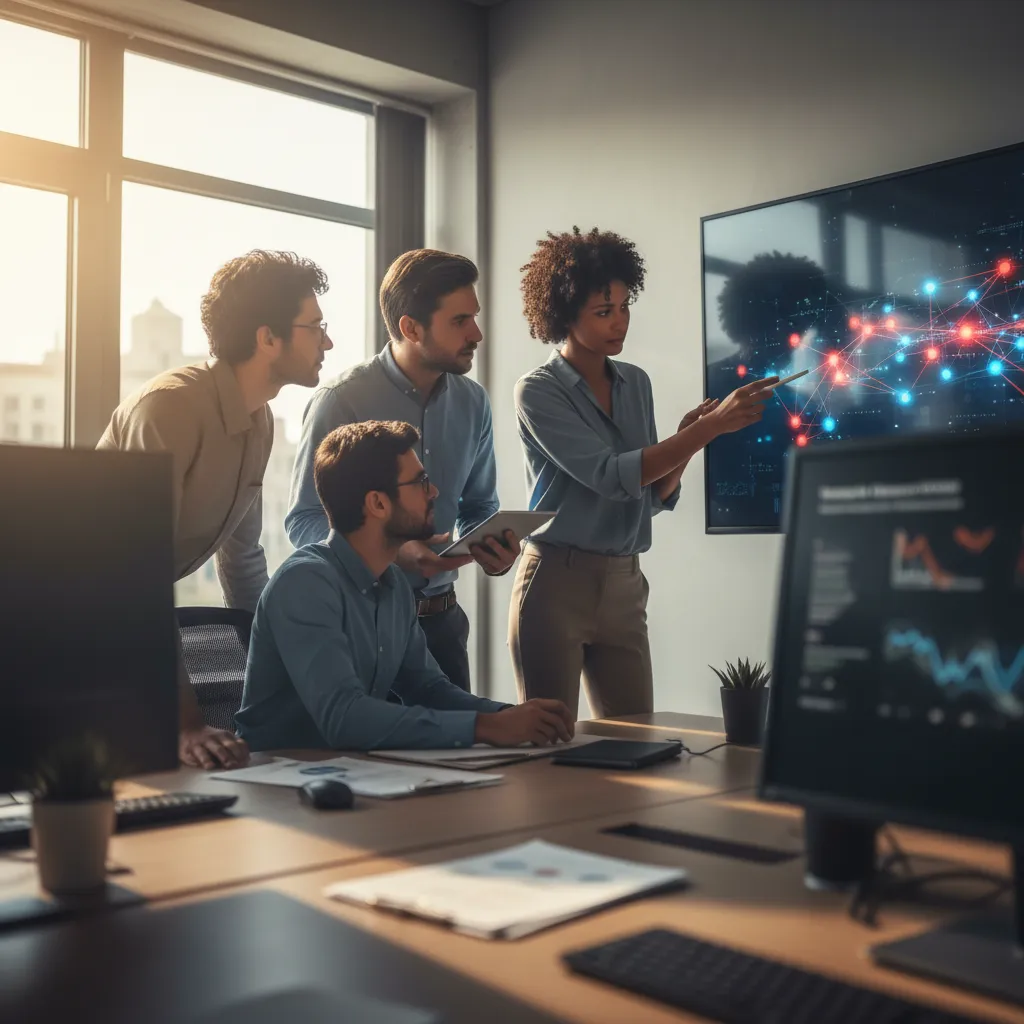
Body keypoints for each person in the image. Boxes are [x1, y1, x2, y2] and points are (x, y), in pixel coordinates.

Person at [510, 226, 777, 717]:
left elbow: (649, 494)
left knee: (635, 737)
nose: (620, 322)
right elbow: (611, 476)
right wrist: (705, 430)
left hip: (625, 583)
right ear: (565, 315)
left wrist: (693, 441)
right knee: (547, 746)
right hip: (555, 583)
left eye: (624, 307)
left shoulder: (636, 382)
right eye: (603, 311)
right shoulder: (537, 391)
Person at [98, 250, 334, 770]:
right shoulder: (169, 408)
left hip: (124, 613)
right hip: (63, 618)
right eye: (315, 327)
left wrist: (283, 676)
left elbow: (243, 562)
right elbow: (135, 578)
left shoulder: (262, 420)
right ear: (267, 337)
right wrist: (184, 725)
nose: (328, 341)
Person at [237, 421, 574, 751]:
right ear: (378, 503)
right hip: (281, 781)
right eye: (421, 482)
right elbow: (344, 717)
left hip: (355, 773)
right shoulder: (305, 584)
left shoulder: (393, 582)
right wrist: (485, 728)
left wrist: (510, 716)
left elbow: (427, 688)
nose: (435, 492)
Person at [286, 249, 520, 694]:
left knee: (462, 757)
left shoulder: (474, 403)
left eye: (474, 317)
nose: (477, 333)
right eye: (460, 321)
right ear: (411, 328)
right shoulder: (341, 401)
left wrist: (487, 546)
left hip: (444, 625)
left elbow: (479, 505)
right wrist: (396, 551)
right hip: (360, 625)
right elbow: (303, 522)